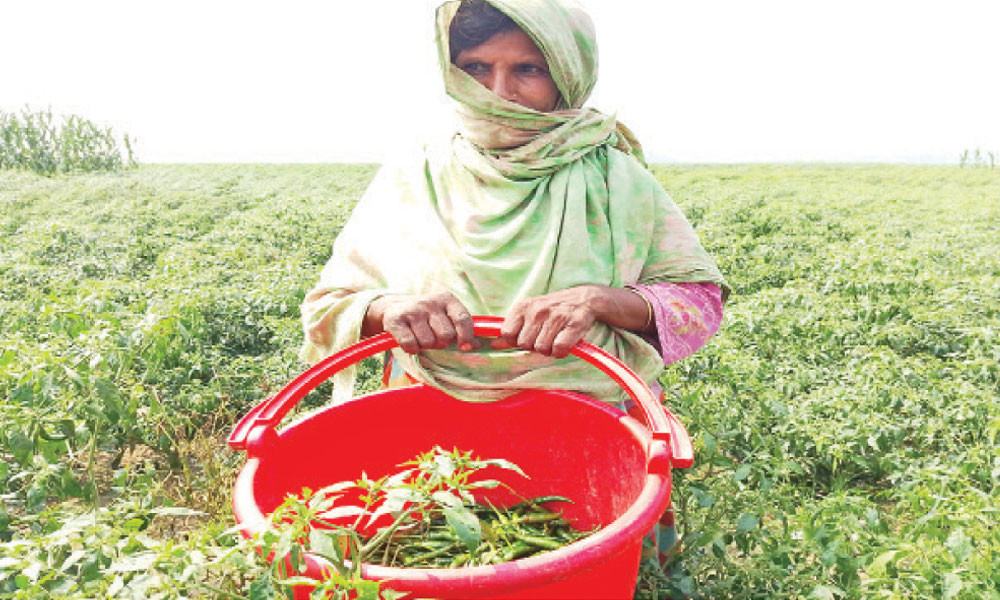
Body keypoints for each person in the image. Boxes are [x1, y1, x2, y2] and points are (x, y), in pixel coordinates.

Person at [300, 0, 729, 566]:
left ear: (566, 76)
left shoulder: (617, 178)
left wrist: (600, 300)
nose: (498, 90)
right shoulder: (414, 174)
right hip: (427, 420)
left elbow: (696, 301)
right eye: (476, 67)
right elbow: (332, 304)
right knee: (427, 554)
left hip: (585, 418)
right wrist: (390, 309)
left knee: (584, 562)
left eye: (526, 69)